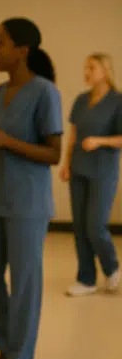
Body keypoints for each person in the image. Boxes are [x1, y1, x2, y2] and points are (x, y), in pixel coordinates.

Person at [0, 18, 63, 359]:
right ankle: (8, 347)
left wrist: (6, 140)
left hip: (27, 203)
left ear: (22, 50)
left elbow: (54, 152)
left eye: (0, 42)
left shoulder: (45, 93)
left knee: (25, 285)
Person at [59, 53, 122, 296]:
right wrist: (67, 163)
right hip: (78, 170)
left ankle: (112, 267)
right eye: (85, 67)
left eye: (91, 68)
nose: (86, 72)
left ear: (105, 71)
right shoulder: (81, 100)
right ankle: (86, 279)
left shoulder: (117, 101)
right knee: (80, 227)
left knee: (95, 226)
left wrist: (99, 141)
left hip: (103, 172)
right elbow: (73, 135)